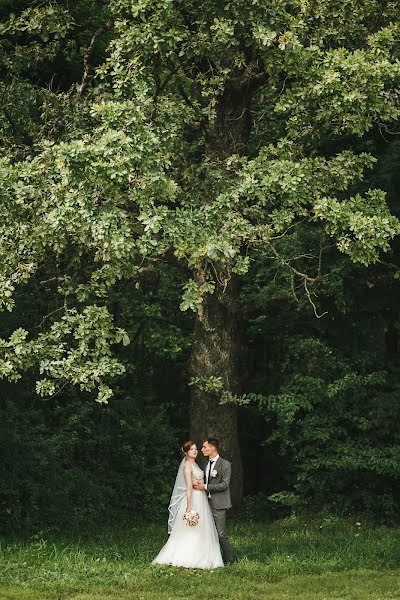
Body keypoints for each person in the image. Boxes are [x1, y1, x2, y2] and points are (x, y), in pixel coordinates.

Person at [151, 440, 224, 569]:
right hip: (193, 498)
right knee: (191, 528)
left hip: (201, 497)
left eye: (196, 449)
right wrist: (189, 507)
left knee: (202, 527)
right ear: (185, 452)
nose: (195, 451)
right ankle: (188, 555)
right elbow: (189, 487)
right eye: (191, 449)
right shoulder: (186, 466)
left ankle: (204, 554)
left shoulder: (195, 464)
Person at [193, 437, 234, 564]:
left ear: (213, 448)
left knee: (220, 534)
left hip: (219, 504)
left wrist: (205, 486)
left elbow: (224, 485)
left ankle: (230, 560)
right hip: (206, 503)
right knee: (207, 532)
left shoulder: (225, 464)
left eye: (205, 447)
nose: (202, 449)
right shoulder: (206, 464)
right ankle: (210, 559)